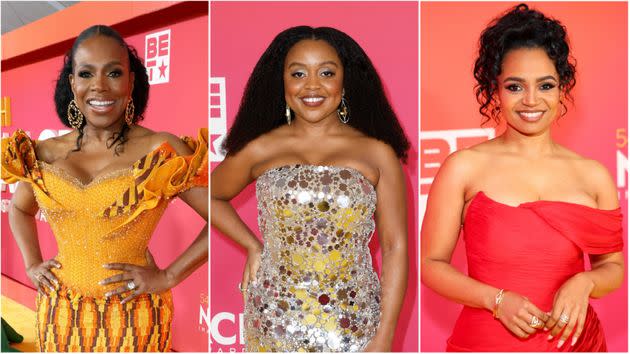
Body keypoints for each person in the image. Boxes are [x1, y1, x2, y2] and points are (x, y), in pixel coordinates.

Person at [421, 4, 624, 352]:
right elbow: (430, 265)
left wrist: (585, 281)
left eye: (545, 85)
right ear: (495, 90)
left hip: (576, 344)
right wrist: (495, 299)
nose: (532, 100)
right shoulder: (463, 167)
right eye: (515, 87)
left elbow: (614, 269)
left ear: (562, 88)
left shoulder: (594, 176)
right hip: (487, 342)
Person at [1, 25, 208, 352]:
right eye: (86, 73)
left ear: (131, 82)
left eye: (113, 72)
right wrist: (32, 264)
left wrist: (168, 277)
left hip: (134, 319)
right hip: (60, 316)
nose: (99, 86)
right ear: (73, 83)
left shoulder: (161, 149)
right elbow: (20, 209)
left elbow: (221, 218)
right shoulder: (42, 152)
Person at [211, 26, 409, 352]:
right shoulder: (260, 148)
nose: (312, 85)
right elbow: (211, 195)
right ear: (282, 82)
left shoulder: (377, 153)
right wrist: (252, 245)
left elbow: (394, 247)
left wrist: (385, 336)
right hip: (275, 319)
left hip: (354, 321)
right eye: (298, 73)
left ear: (345, 82)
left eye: (327, 72)